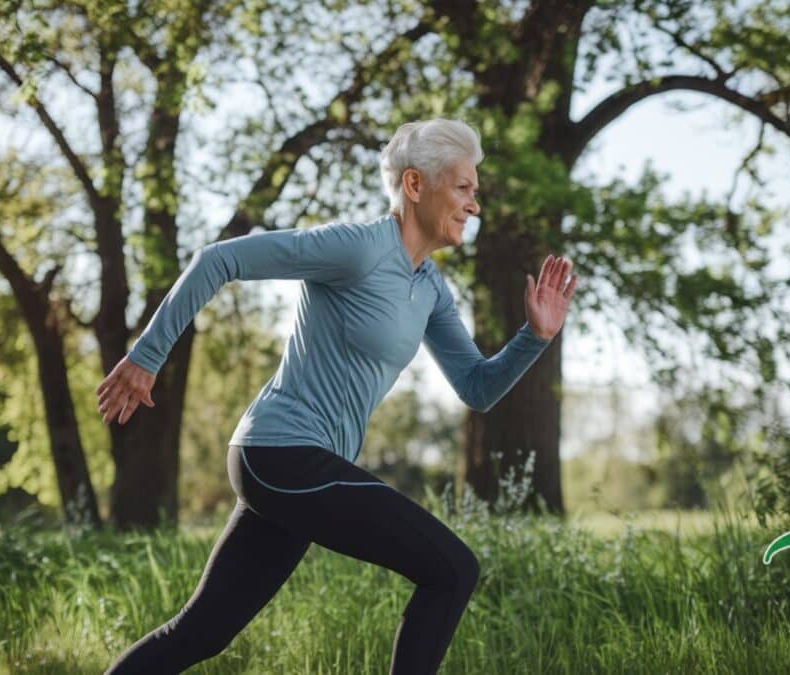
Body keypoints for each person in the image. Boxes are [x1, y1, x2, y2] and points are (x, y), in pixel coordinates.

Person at [98, 118, 578, 674]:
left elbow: (478, 388)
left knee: (200, 633)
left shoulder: (430, 288)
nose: (475, 205)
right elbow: (218, 259)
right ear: (415, 185)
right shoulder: (356, 248)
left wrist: (534, 338)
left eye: (477, 191)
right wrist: (146, 358)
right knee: (451, 570)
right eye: (464, 188)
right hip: (281, 452)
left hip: (294, 467)